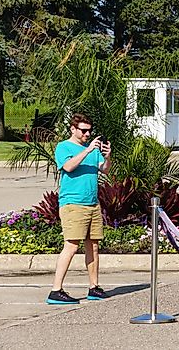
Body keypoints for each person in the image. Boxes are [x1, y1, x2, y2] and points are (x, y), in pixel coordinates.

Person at [46, 113, 112, 304]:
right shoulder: (64, 147)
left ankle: (94, 287)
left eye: (89, 131)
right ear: (73, 129)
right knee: (72, 245)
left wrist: (107, 157)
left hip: (92, 203)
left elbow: (104, 169)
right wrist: (87, 150)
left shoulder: (93, 150)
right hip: (73, 203)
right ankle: (55, 290)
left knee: (93, 245)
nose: (87, 134)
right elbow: (68, 167)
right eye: (83, 130)